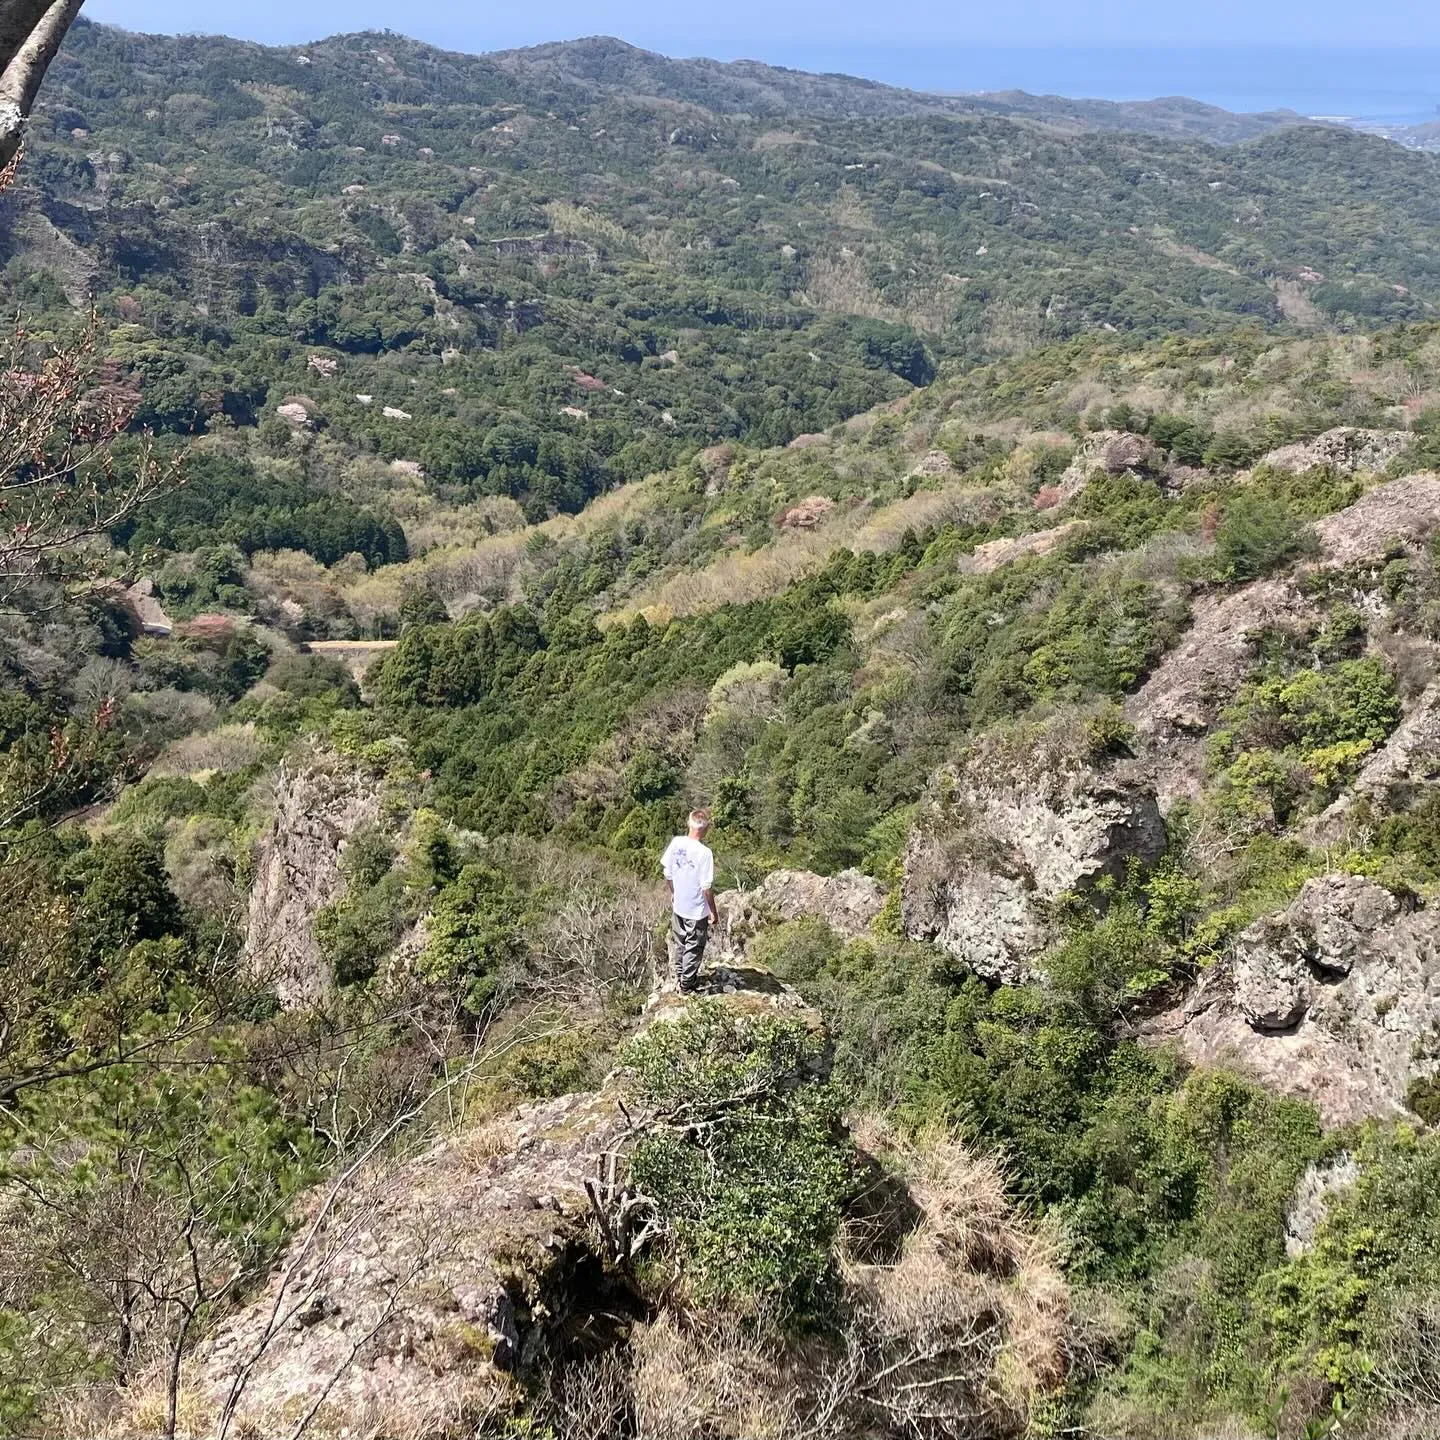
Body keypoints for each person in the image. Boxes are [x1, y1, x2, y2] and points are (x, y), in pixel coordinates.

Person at [661, 809, 716, 994]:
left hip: (679, 906)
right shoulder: (705, 853)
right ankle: (686, 985)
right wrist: (712, 911)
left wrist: (675, 892)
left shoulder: (677, 843)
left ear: (689, 823)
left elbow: (667, 873)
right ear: (706, 827)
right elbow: (706, 888)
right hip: (696, 909)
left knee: (680, 943)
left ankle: (680, 976)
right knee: (694, 946)